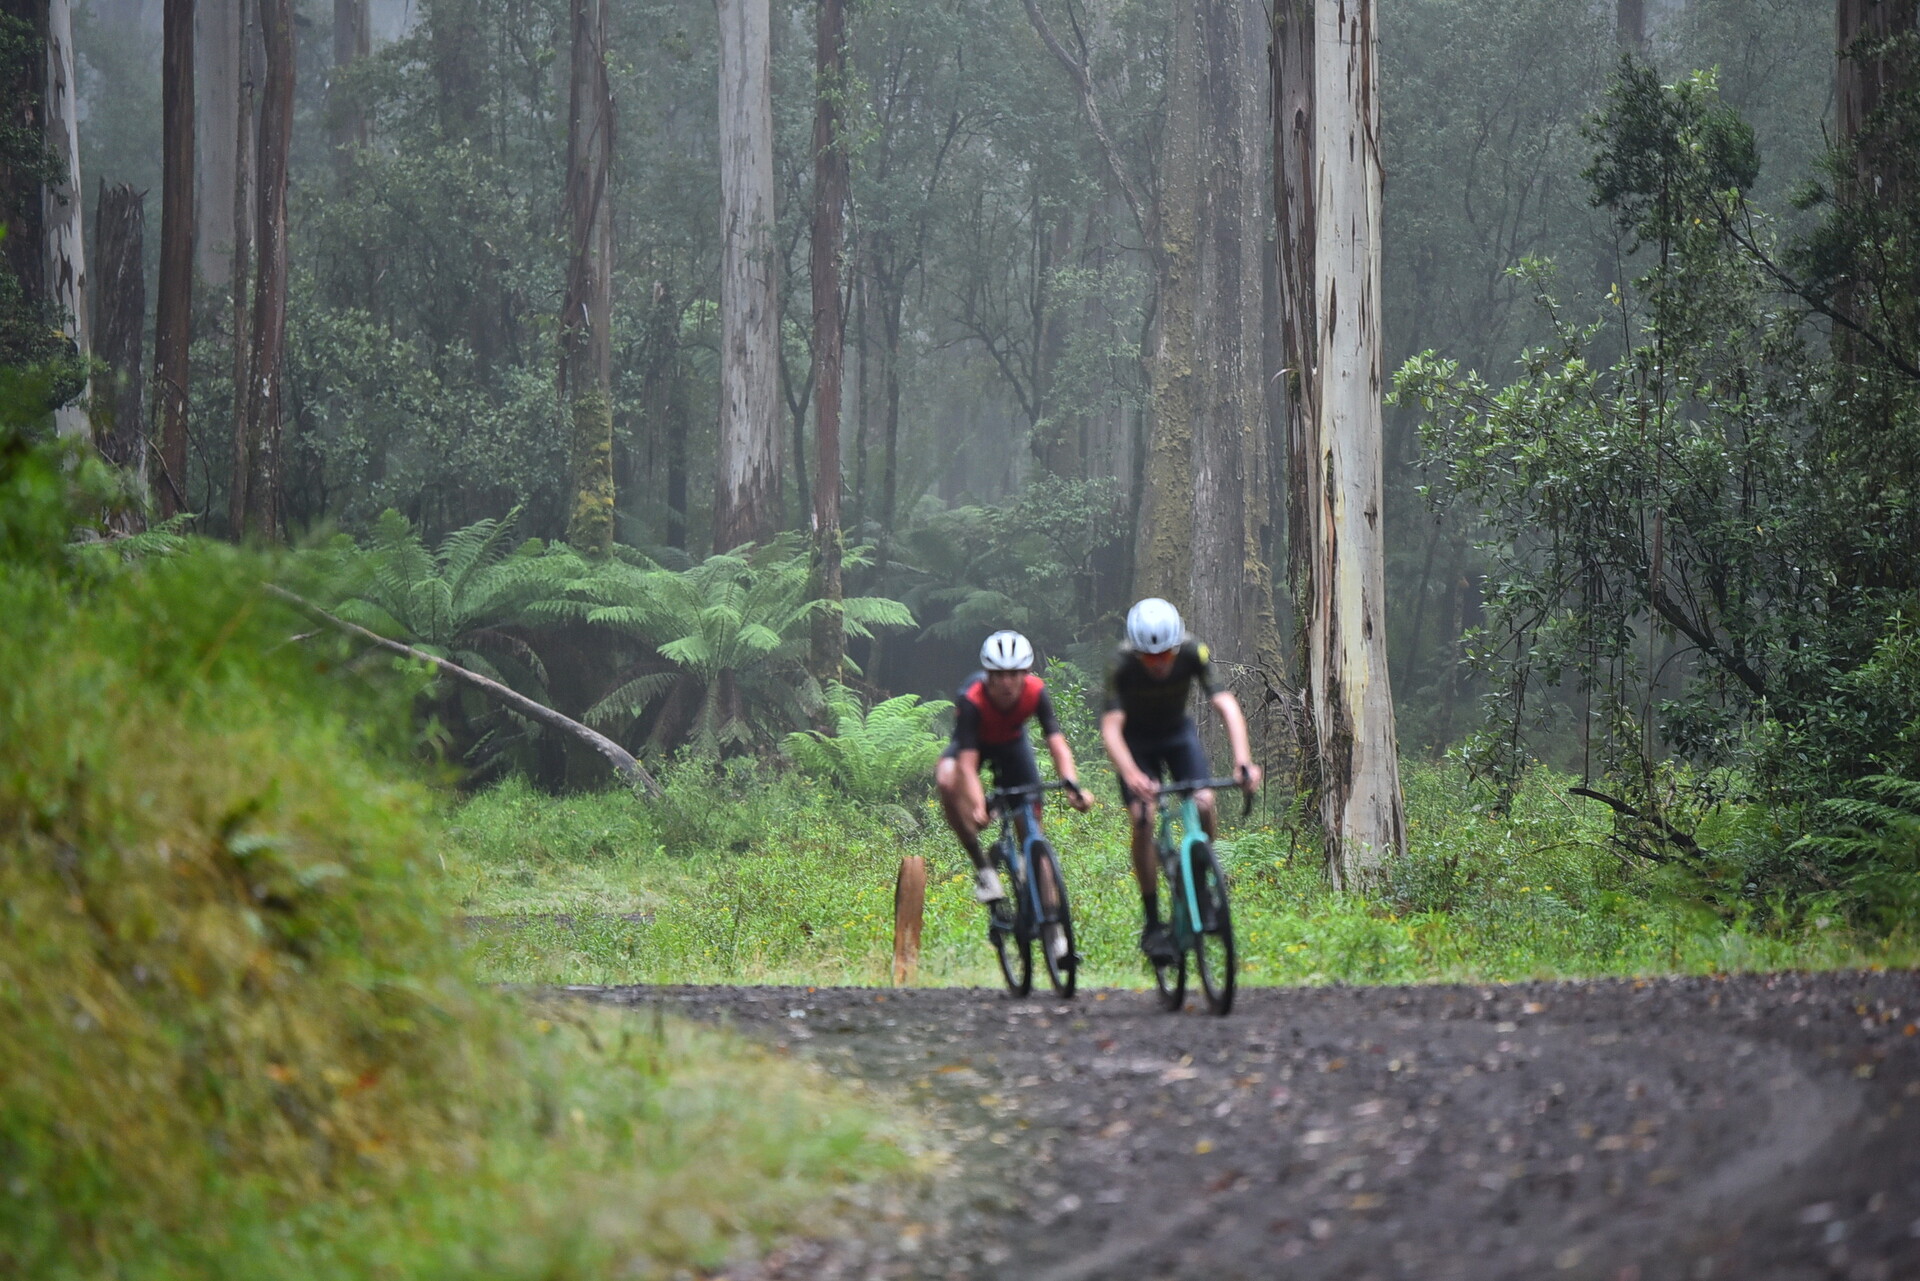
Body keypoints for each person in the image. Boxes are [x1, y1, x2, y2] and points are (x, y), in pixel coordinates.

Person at [1099, 597, 1261, 961]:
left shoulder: (1191, 651)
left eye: (1165, 656)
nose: (1158, 664)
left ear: (1176, 647)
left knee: (1204, 801)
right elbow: (1111, 728)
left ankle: (1203, 886)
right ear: (1137, 653)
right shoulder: (1120, 664)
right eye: (1149, 658)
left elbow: (1225, 704)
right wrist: (1132, 774)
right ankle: (1153, 921)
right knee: (1143, 817)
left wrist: (1243, 760)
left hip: (1176, 735)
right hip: (1135, 742)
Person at [935, 630, 1092, 904]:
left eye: (1014, 674)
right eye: (999, 675)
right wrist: (976, 804)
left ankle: (1053, 927)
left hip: (1011, 745)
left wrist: (1072, 785)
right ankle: (984, 869)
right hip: (973, 745)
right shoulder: (972, 699)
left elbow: (1056, 743)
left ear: (1026, 673)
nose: (1007, 683)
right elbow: (968, 764)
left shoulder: (1036, 691)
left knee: (1031, 834)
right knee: (947, 780)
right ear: (988, 675)